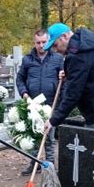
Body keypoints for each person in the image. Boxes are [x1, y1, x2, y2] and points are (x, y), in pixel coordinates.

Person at [43, 23, 94, 134]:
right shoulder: (85, 42)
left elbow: (73, 94)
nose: (55, 50)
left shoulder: (78, 54)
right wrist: (69, 73)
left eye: (55, 45)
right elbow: (87, 70)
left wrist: (53, 120)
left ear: (64, 36)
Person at [16, 29, 64, 174]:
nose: (41, 45)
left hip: (51, 103)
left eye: (44, 42)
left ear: (48, 41)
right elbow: (20, 79)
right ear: (34, 43)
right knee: (33, 134)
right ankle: (34, 163)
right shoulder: (27, 60)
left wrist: (63, 78)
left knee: (49, 135)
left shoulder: (57, 59)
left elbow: (64, 79)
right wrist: (24, 94)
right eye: (38, 42)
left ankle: (50, 164)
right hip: (33, 103)